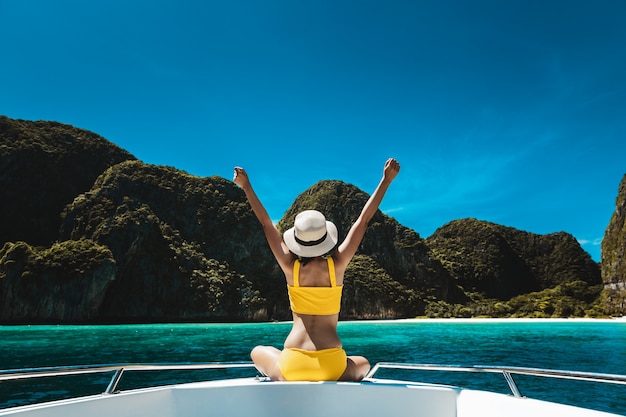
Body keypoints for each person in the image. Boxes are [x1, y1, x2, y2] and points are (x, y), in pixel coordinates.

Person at [233, 158, 400, 381]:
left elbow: (266, 223)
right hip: (331, 364)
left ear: (297, 240)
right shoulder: (338, 265)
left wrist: (247, 186)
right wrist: (385, 180)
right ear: (326, 239)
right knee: (363, 363)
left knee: (258, 351)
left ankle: (282, 377)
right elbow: (364, 219)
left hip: (293, 365)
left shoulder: (289, 266)